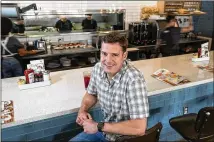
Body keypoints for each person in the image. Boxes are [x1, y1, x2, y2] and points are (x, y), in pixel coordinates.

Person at [70, 32, 149, 142]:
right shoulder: (98, 68)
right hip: (105, 134)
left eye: (114, 55)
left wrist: (98, 126)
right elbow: (91, 93)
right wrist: (82, 110)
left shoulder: (133, 79)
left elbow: (139, 127)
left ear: (124, 55)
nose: (108, 60)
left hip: (125, 139)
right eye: (104, 54)